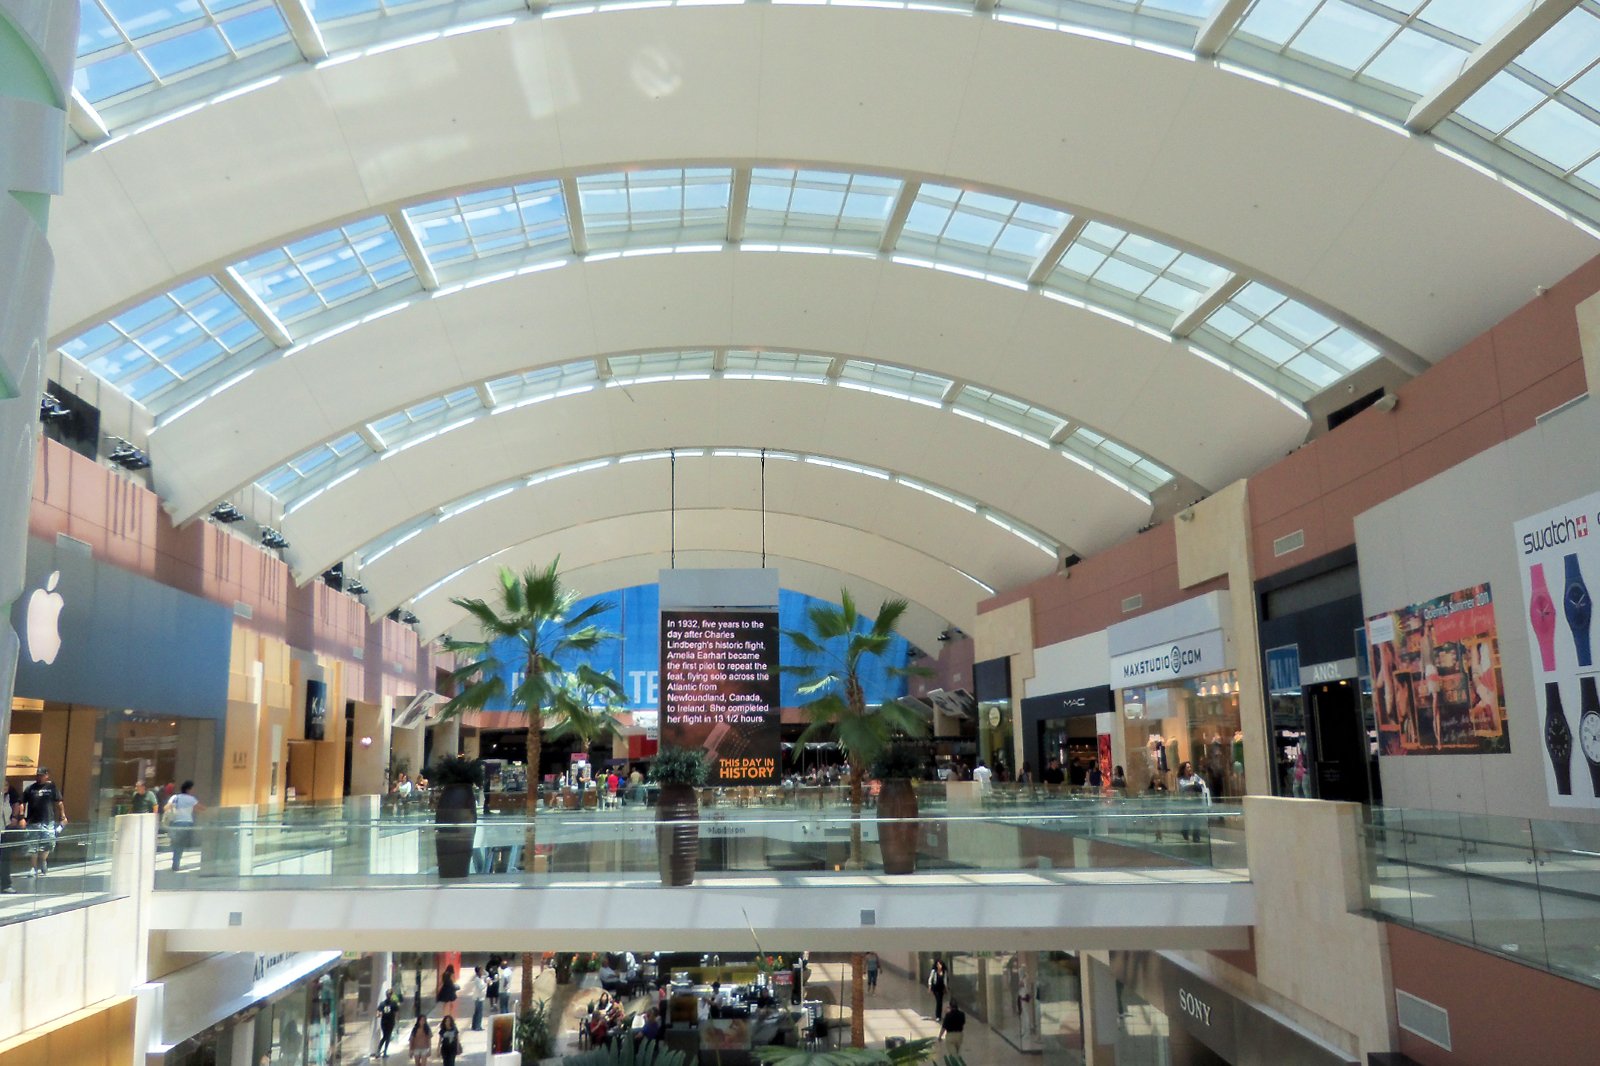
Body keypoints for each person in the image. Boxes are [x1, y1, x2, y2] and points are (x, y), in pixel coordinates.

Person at [21, 768, 65, 877]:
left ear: (47, 775)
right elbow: (22, 803)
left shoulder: (52, 788)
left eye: (41, 775)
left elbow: (59, 802)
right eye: (37, 775)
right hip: (33, 821)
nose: (39, 777)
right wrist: (22, 817)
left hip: (48, 820)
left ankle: (43, 860)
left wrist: (63, 815)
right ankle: (33, 868)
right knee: (33, 845)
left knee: (49, 843)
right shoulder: (30, 789)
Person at [165, 781, 203, 872]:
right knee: (181, 844)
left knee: (177, 844)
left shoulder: (175, 797)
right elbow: (201, 808)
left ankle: (175, 863)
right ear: (188, 789)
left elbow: (166, 808)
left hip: (176, 823)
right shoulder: (191, 799)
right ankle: (176, 863)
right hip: (187, 823)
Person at [1175, 760, 1210, 842]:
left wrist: (1197, 784)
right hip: (1186, 802)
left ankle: (1196, 836)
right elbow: (1182, 787)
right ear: (1183, 769)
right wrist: (1192, 784)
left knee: (1197, 819)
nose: (1189, 768)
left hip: (1196, 800)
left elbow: (1202, 782)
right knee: (1188, 818)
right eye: (1187, 767)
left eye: (1190, 767)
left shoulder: (1195, 776)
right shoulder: (1181, 778)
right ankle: (1185, 831)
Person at [0, 801, 27, 893]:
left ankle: (6, 885)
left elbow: (18, 803)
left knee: (4, 859)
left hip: (4, 832)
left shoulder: (9, 796)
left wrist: (18, 817)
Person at [377, 988, 400, 1058]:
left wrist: (378, 1014)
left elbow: (378, 1012)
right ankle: (383, 1051)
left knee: (386, 1036)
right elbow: (397, 1012)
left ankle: (381, 1051)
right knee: (386, 1036)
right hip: (389, 1022)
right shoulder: (393, 1003)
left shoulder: (383, 1003)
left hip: (385, 1022)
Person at [465, 966, 485, 1031]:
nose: (482, 972)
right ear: (478, 972)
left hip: (481, 997)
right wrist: (486, 984)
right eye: (481, 971)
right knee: (479, 1013)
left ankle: (474, 1025)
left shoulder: (480, 978)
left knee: (477, 1012)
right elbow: (480, 987)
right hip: (478, 998)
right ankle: (477, 1026)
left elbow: (487, 974)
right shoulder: (477, 979)